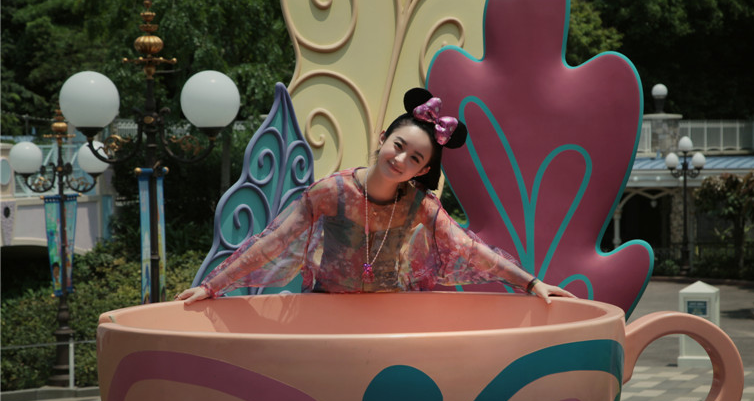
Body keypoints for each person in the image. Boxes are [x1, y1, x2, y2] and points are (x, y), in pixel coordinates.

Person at [176, 88, 574, 304]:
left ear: (422, 170)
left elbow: (470, 249)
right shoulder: (332, 192)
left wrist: (531, 283)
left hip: (389, 312)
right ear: (383, 138)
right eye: (398, 146)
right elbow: (273, 242)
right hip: (328, 311)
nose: (400, 160)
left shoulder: (419, 205)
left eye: (415, 158)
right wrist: (212, 286)